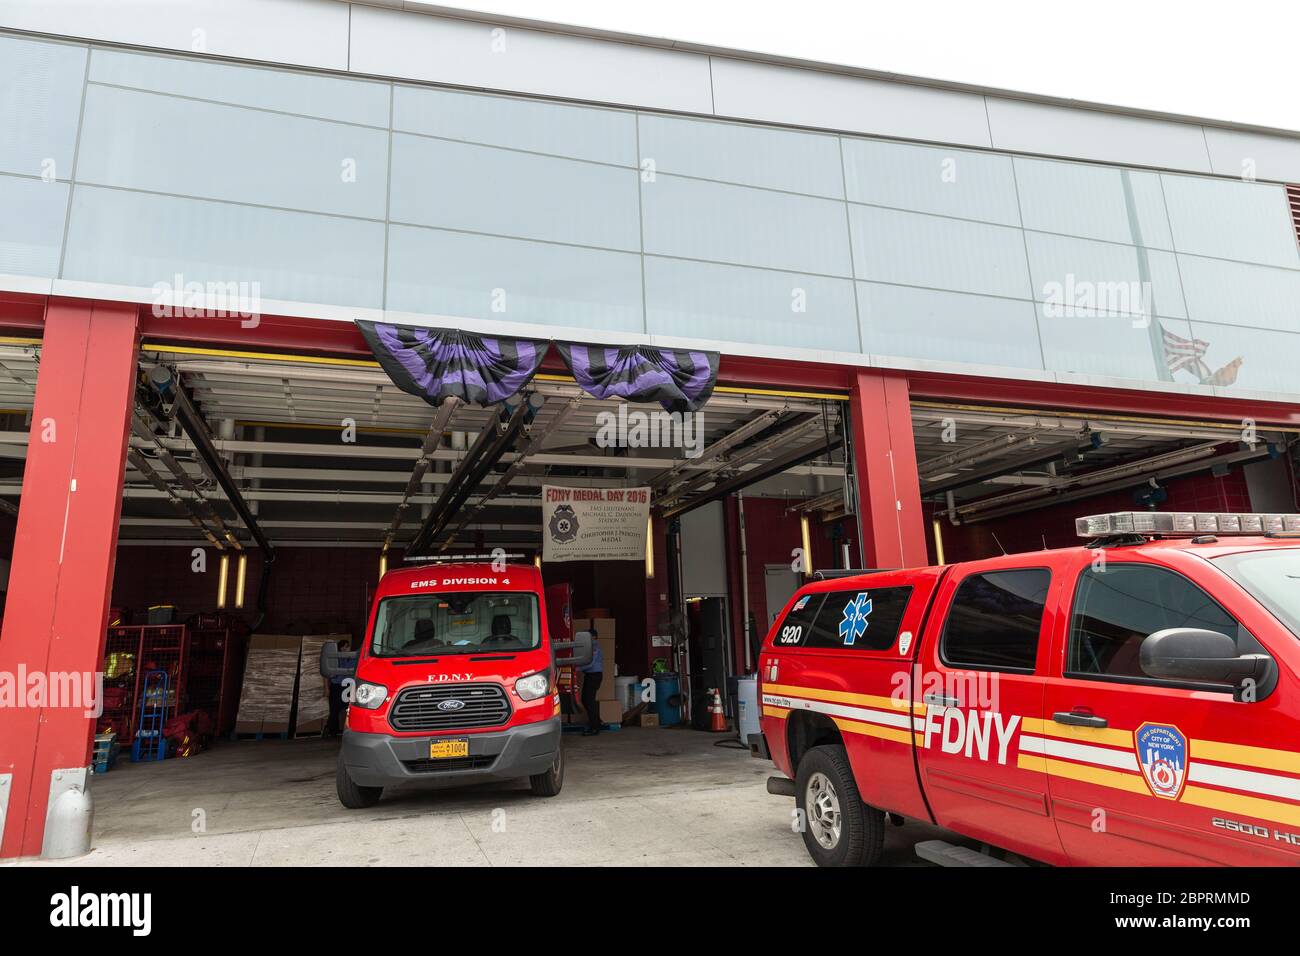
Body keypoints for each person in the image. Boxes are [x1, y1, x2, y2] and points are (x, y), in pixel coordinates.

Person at [325, 639, 352, 737]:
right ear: (341, 648)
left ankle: (350, 730)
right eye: (346, 646)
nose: (348, 648)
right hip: (337, 686)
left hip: (349, 686)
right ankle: (332, 731)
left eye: (348, 646)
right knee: (334, 710)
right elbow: (327, 674)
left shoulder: (352, 658)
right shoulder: (335, 659)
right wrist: (327, 688)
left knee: (350, 709)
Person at [578, 634, 604, 736]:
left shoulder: (594, 647)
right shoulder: (592, 646)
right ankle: (597, 722)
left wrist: (577, 668)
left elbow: (590, 663)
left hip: (594, 676)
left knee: (588, 700)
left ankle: (594, 728)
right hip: (591, 676)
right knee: (587, 700)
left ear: (594, 637)